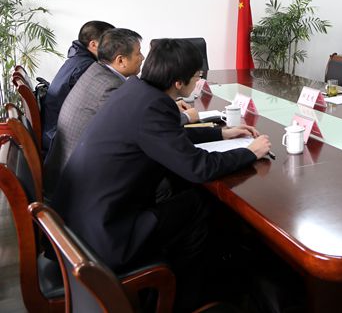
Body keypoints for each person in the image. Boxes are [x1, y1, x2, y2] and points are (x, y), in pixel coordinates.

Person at [51, 39, 271, 310]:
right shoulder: (152, 106)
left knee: (184, 195)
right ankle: (188, 299)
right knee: (200, 204)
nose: (198, 82)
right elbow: (199, 168)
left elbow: (167, 137)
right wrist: (250, 152)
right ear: (179, 83)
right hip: (106, 236)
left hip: (79, 221)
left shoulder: (135, 90)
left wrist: (220, 133)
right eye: (196, 77)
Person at [43, 28, 146, 196]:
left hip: (65, 170)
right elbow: (138, 128)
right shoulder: (111, 86)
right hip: (78, 186)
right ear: (120, 60)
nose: (143, 58)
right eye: (139, 53)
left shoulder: (96, 71)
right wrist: (182, 116)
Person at [41, 20, 115, 153]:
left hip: (53, 132)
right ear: (93, 44)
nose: (114, 48)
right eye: (110, 43)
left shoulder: (77, 59)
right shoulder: (86, 67)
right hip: (59, 141)